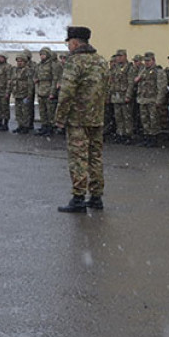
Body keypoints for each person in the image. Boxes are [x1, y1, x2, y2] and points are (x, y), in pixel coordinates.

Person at [54, 26, 110, 212]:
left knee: (78, 158)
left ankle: (78, 198)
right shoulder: (101, 61)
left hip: (77, 119)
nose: (68, 46)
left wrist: (60, 118)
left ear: (75, 42)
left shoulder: (74, 62)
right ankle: (96, 197)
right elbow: (105, 89)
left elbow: (67, 92)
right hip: (96, 117)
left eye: (69, 42)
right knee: (95, 157)